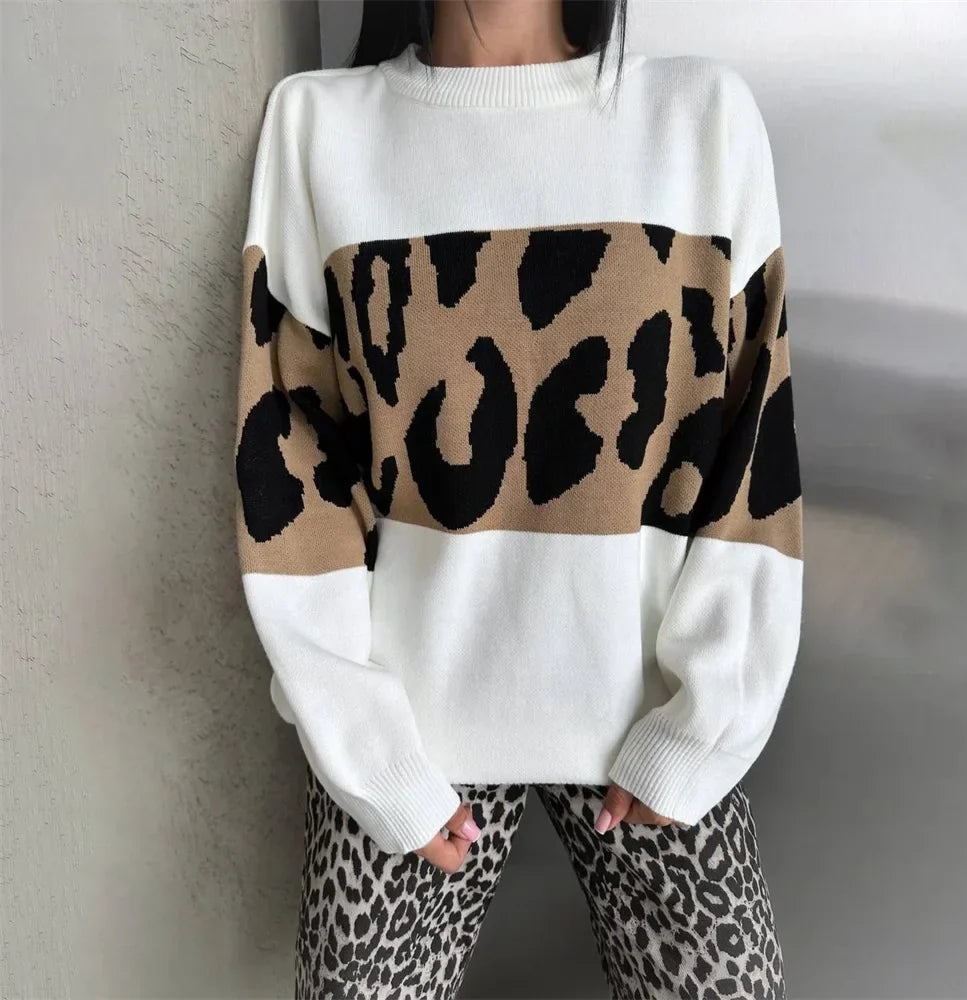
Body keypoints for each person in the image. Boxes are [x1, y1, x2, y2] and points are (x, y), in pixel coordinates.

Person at [232, 1, 803, 997]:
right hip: (415, 743)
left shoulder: (700, 118)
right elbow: (292, 476)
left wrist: (701, 728)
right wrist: (373, 761)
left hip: (649, 721)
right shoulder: (319, 128)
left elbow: (750, 455)